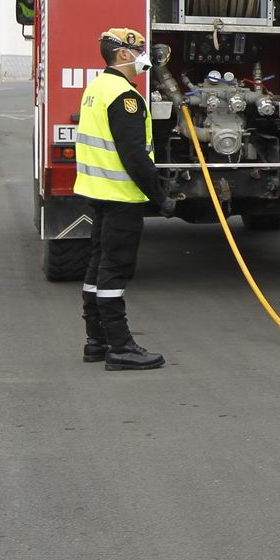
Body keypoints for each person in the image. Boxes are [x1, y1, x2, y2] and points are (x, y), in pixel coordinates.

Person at [75, 27, 175, 370]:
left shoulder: (97, 88)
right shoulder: (124, 96)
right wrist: (160, 197)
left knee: (98, 265)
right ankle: (120, 347)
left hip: (99, 192)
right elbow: (134, 156)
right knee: (115, 270)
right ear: (122, 54)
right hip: (121, 197)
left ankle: (96, 341)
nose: (144, 57)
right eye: (140, 50)